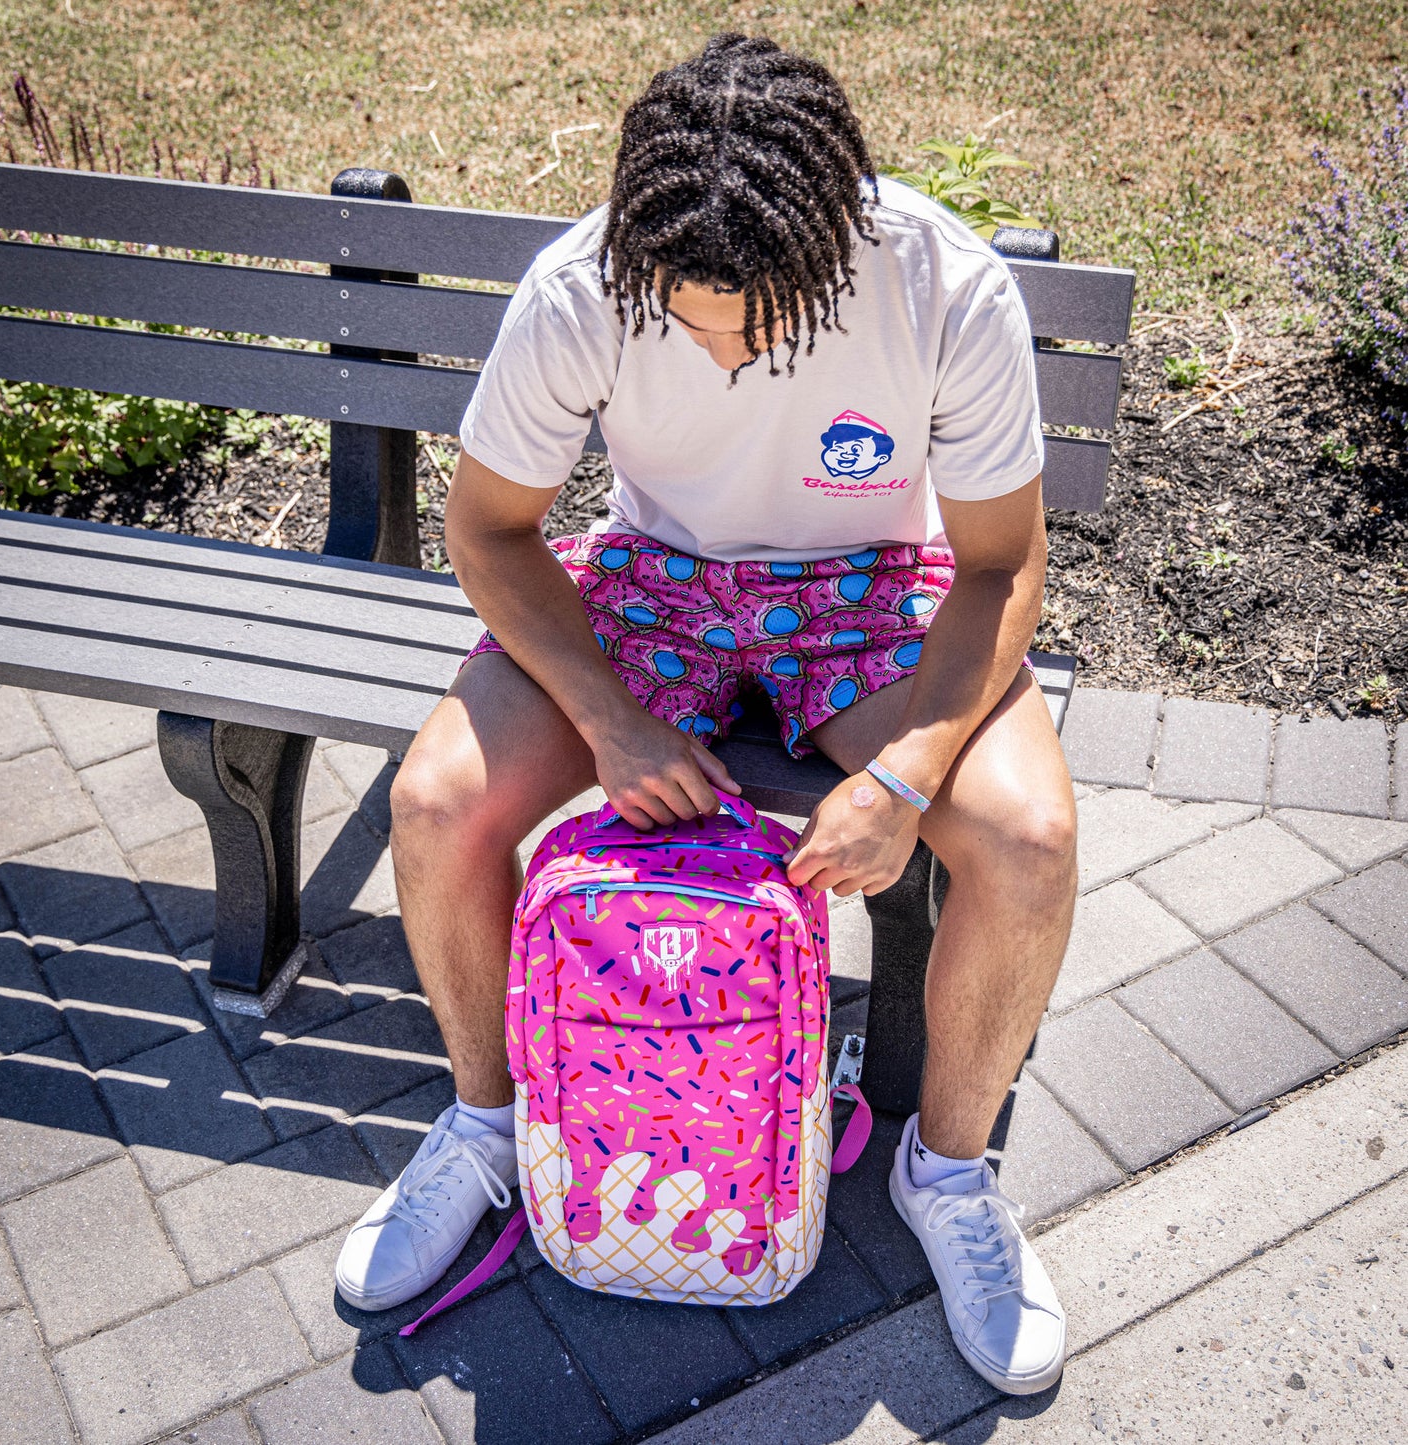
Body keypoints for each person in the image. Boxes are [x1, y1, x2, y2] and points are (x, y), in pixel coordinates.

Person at [335, 31, 1077, 1397]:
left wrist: (907, 775)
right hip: (653, 583)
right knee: (436, 801)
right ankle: (494, 1126)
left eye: (757, 324)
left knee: (1026, 842)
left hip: (866, 588)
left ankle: (946, 1172)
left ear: (832, 244)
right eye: (683, 314)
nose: (714, 350)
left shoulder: (940, 282)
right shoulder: (583, 282)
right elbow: (490, 531)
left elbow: (1000, 562)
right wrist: (612, 722)